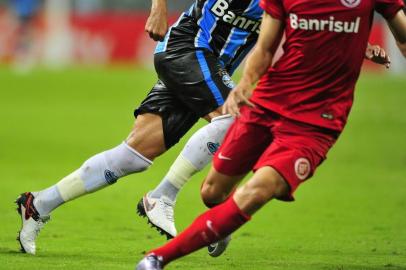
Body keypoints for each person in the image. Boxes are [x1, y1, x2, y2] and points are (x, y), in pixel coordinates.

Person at [15, 0, 391, 256]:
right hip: (187, 50)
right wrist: (159, 9)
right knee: (239, 120)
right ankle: (163, 196)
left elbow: (303, 34)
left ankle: (39, 204)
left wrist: (358, 47)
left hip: (206, 67)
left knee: (134, 154)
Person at [135, 0, 406, 268]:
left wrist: (360, 47)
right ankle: (216, 219)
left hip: (316, 122)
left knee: (259, 188)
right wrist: (244, 84)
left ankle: (157, 258)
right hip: (268, 102)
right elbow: (266, 48)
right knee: (212, 193)